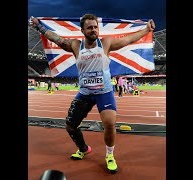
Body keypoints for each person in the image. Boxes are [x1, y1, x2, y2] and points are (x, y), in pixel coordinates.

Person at [30, 14, 155, 173]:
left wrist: (146, 29)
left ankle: (109, 155)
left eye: (95, 27)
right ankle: (83, 148)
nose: (93, 30)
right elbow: (56, 39)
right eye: (89, 27)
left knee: (109, 123)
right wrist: (39, 27)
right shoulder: (76, 46)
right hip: (85, 93)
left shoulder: (105, 43)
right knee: (70, 126)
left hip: (104, 92)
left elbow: (127, 40)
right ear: (82, 30)